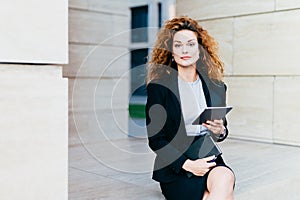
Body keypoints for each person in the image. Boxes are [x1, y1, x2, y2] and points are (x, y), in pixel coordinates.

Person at [145, 16, 235, 200]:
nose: (184, 50)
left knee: (225, 177)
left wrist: (220, 130)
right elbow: (156, 140)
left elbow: (220, 132)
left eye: (191, 44)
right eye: (178, 45)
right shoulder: (159, 88)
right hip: (175, 163)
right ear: (171, 51)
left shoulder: (216, 87)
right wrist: (187, 164)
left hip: (207, 154)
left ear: (200, 51)